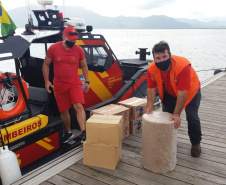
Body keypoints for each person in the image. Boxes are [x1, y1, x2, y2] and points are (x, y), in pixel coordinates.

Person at [146, 41, 202, 157]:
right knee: (166, 117)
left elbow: (182, 93)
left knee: (192, 117)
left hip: (190, 92)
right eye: (158, 58)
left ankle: (195, 143)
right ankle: (168, 142)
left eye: (164, 56)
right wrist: (149, 106)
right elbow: (151, 89)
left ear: (170, 55)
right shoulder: (151, 69)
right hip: (170, 93)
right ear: (154, 58)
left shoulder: (182, 65)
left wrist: (177, 114)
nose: (161, 60)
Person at [43, 26, 89, 143]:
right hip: (59, 85)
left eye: (74, 40)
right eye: (71, 40)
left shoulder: (79, 50)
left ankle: (83, 132)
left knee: (78, 106)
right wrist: (47, 81)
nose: (73, 42)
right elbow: (46, 64)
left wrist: (87, 81)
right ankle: (69, 132)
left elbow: (84, 65)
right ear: (64, 37)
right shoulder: (53, 48)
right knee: (64, 111)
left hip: (74, 83)